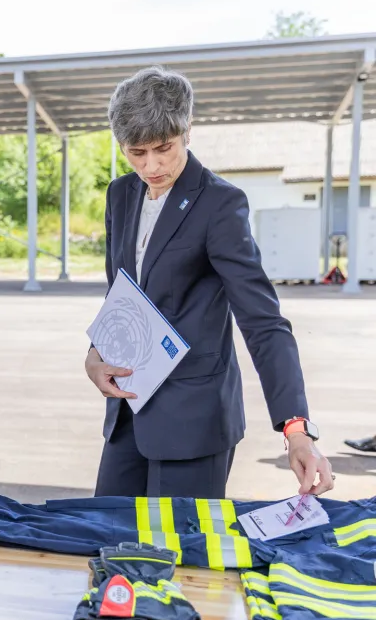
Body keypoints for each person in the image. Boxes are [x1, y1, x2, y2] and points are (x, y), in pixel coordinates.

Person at [85, 66, 334, 499]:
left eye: (164, 148)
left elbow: (263, 321)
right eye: (136, 152)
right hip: (127, 413)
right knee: (106, 535)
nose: (151, 165)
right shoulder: (120, 194)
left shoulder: (220, 204)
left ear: (187, 130)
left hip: (194, 421)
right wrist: (96, 351)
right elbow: (120, 293)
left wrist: (296, 428)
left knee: (180, 542)